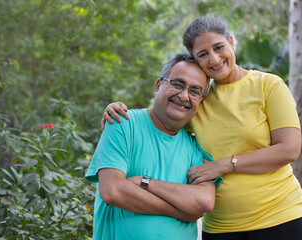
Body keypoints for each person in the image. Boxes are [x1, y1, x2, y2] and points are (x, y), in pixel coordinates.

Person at [101, 16, 302, 240]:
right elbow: (162, 110)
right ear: (196, 60)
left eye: (219, 47)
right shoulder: (199, 99)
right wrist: (115, 109)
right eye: (203, 54)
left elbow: (289, 149)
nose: (214, 59)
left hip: (280, 215)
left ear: (231, 42)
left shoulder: (268, 85)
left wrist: (223, 165)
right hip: (220, 227)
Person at [85, 54, 222, 240]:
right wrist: (181, 212)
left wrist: (145, 182)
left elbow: (203, 202)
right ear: (158, 86)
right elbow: (113, 191)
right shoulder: (122, 123)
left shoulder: (196, 145)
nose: (183, 96)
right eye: (178, 84)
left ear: (201, 102)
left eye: (195, 91)